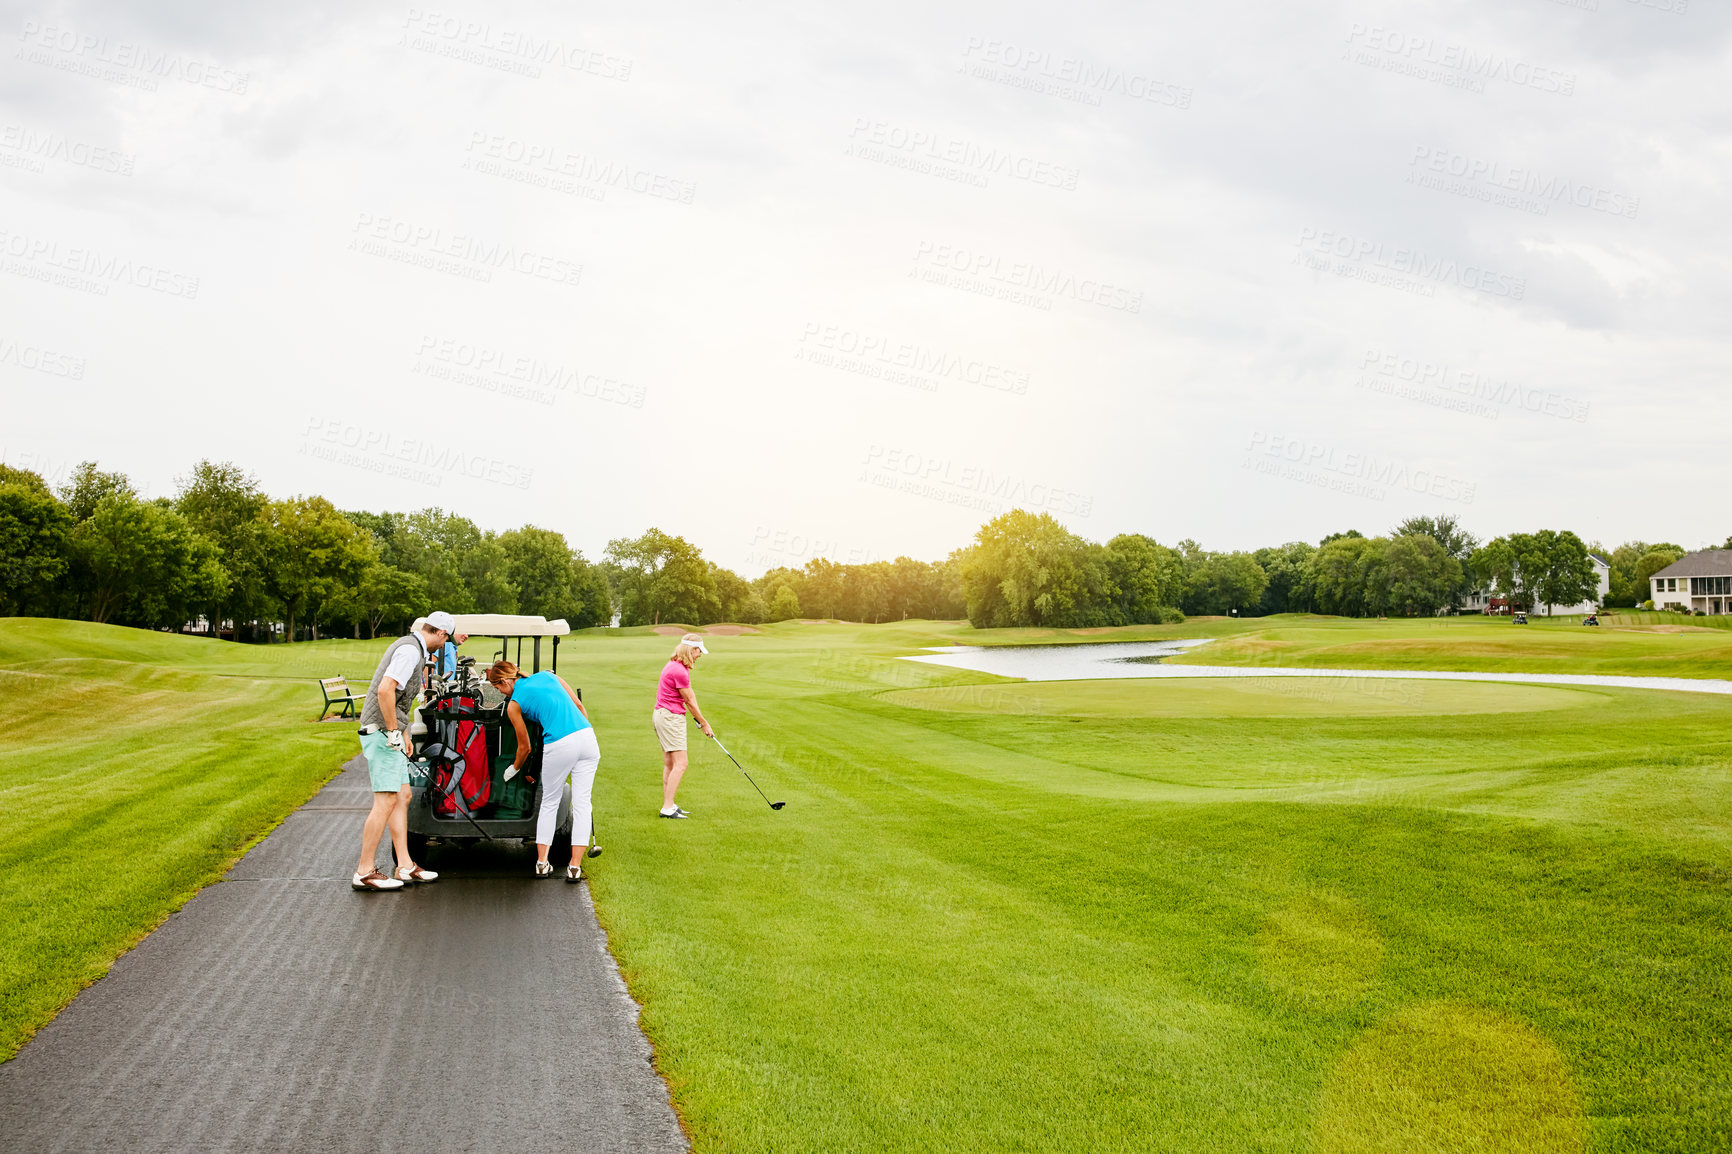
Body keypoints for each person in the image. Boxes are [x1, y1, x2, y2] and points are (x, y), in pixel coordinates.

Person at [352, 611, 454, 890]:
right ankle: (364, 871)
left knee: (403, 796)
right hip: (381, 733)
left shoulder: (414, 649)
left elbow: (398, 701)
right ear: (441, 634)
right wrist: (393, 732)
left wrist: (405, 733)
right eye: (445, 640)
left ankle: (405, 865)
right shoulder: (410, 651)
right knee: (385, 800)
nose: (443, 645)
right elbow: (385, 691)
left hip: (391, 733)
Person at [486, 660, 599, 881]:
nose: (499, 691)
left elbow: (525, 747)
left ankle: (541, 863)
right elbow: (579, 707)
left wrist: (513, 768)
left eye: (497, 687)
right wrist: (580, 736)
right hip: (587, 737)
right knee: (583, 803)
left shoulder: (513, 705)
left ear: (506, 681)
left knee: (550, 802)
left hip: (559, 744)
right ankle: (574, 867)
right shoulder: (549, 676)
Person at [653, 633, 712, 819]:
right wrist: (703, 723)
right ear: (690, 649)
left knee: (671, 763)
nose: (700, 655)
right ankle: (667, 807)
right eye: (698, 651)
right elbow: (689, 702)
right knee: (681, 763)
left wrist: (702, 719)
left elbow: (691, 696)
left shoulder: (677, 667)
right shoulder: (679, 670)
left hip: (663, 715)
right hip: (670, 718)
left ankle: (668, 804)